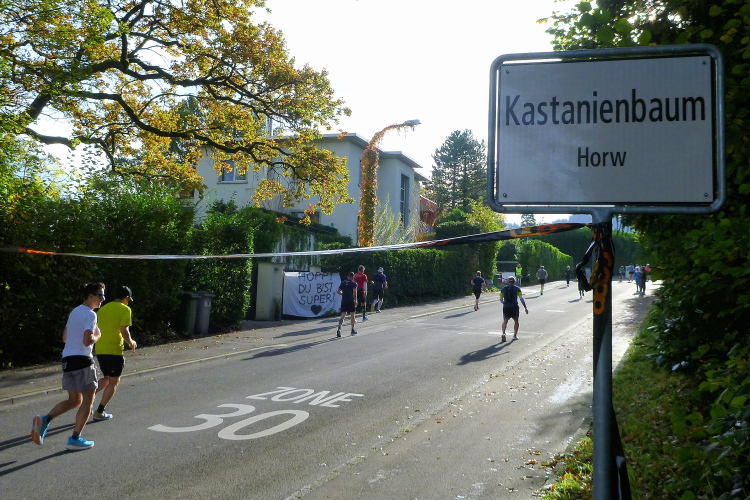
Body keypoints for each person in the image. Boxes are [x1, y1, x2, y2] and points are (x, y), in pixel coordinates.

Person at [31, 282, 105, 451]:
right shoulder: (91, 315)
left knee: (75, 400)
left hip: (68, 360)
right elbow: (87, 340)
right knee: (88, 400)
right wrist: (98, 336)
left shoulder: (75, 311)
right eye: (100, 295)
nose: (103, 299)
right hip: (82, 361)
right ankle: (75, 439)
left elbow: (65, 337)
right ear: (90, 296)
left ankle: (45, 419)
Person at [93, 285, 137, 421]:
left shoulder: (103, 309)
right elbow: (124, 331)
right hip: (114, 349)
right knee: (114, 381)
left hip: (100, 348)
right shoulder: (125, 309)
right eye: (128, 300)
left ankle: (85, 396)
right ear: (126, 298)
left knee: (106, 378)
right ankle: (99, 411)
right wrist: (131, 342)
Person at [499, 276, 528, 342]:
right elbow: (521, 298)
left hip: (506, 307)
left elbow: (501, 299)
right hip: (514, 307)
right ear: (514, 282)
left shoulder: (503, 289)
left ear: (508, 281)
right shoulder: (517, 289)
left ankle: (503, 333)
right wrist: (525, 307)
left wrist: (505, 303)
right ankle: (515, 335)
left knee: (505, 321)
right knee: (516, 321)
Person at [337, 272, 358, 336]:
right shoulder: (354, 283)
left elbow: (338, 291)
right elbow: (354, 292)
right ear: (353, 277)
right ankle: (352, 329)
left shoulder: (343, 283)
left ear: (347, 276)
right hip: (351, 300)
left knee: (342, 315)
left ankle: (339, 328)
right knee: (352, 315)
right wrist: (355, 300)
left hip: (344, 300)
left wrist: (343, 294)